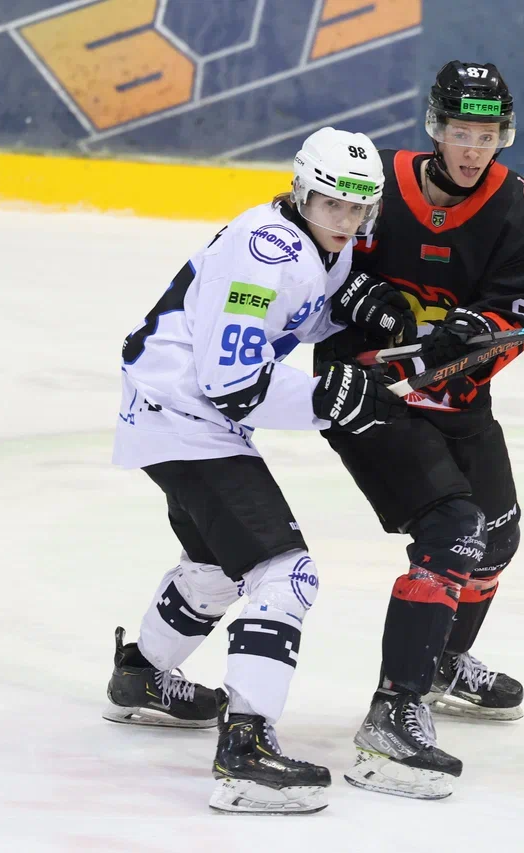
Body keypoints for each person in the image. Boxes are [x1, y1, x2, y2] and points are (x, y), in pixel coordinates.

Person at [102, 127, 409, 815]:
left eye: (360, 208)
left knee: (217, 566)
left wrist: (360, 310)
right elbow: (233, 382)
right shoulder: (262, 251)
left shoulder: (318, 242)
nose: (346, 221)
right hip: (186, 416)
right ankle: (245, 748)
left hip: (169, 411)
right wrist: (330, 397)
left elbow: (300, 311)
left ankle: (141, 676)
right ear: (302, 192)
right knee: (286, 573)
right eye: (332, 204)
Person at [313, 60, 524, 799]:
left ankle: (442, 661)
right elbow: (311, 250)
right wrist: (363, 299)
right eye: (461, 132)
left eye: (487, 136)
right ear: (436, 128)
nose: (473, 149)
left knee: (497, 538)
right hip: (371, 394)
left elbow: (520, 319)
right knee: (453, 531)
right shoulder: (376, 185)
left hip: (458, 400)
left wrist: (477, 337)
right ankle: (395, 712)